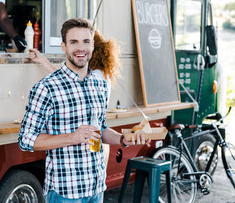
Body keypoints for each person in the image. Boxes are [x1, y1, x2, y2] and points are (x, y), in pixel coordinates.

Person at [18, 18, 149, 202]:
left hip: (96, 189)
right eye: (74, 42)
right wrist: (72, 137)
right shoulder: (46, 87)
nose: (81, 48)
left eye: (86, 41)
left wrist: (122, 139)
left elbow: (100, 129)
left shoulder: (99, 84)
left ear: (93, 45)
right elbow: (26, 139)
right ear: (63, 46)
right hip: (65, 193)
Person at [29, 30, 120, 102]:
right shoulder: (101, 73)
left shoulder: (96, 76)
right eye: (74, 42)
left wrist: (43, 60)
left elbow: (68, 82)